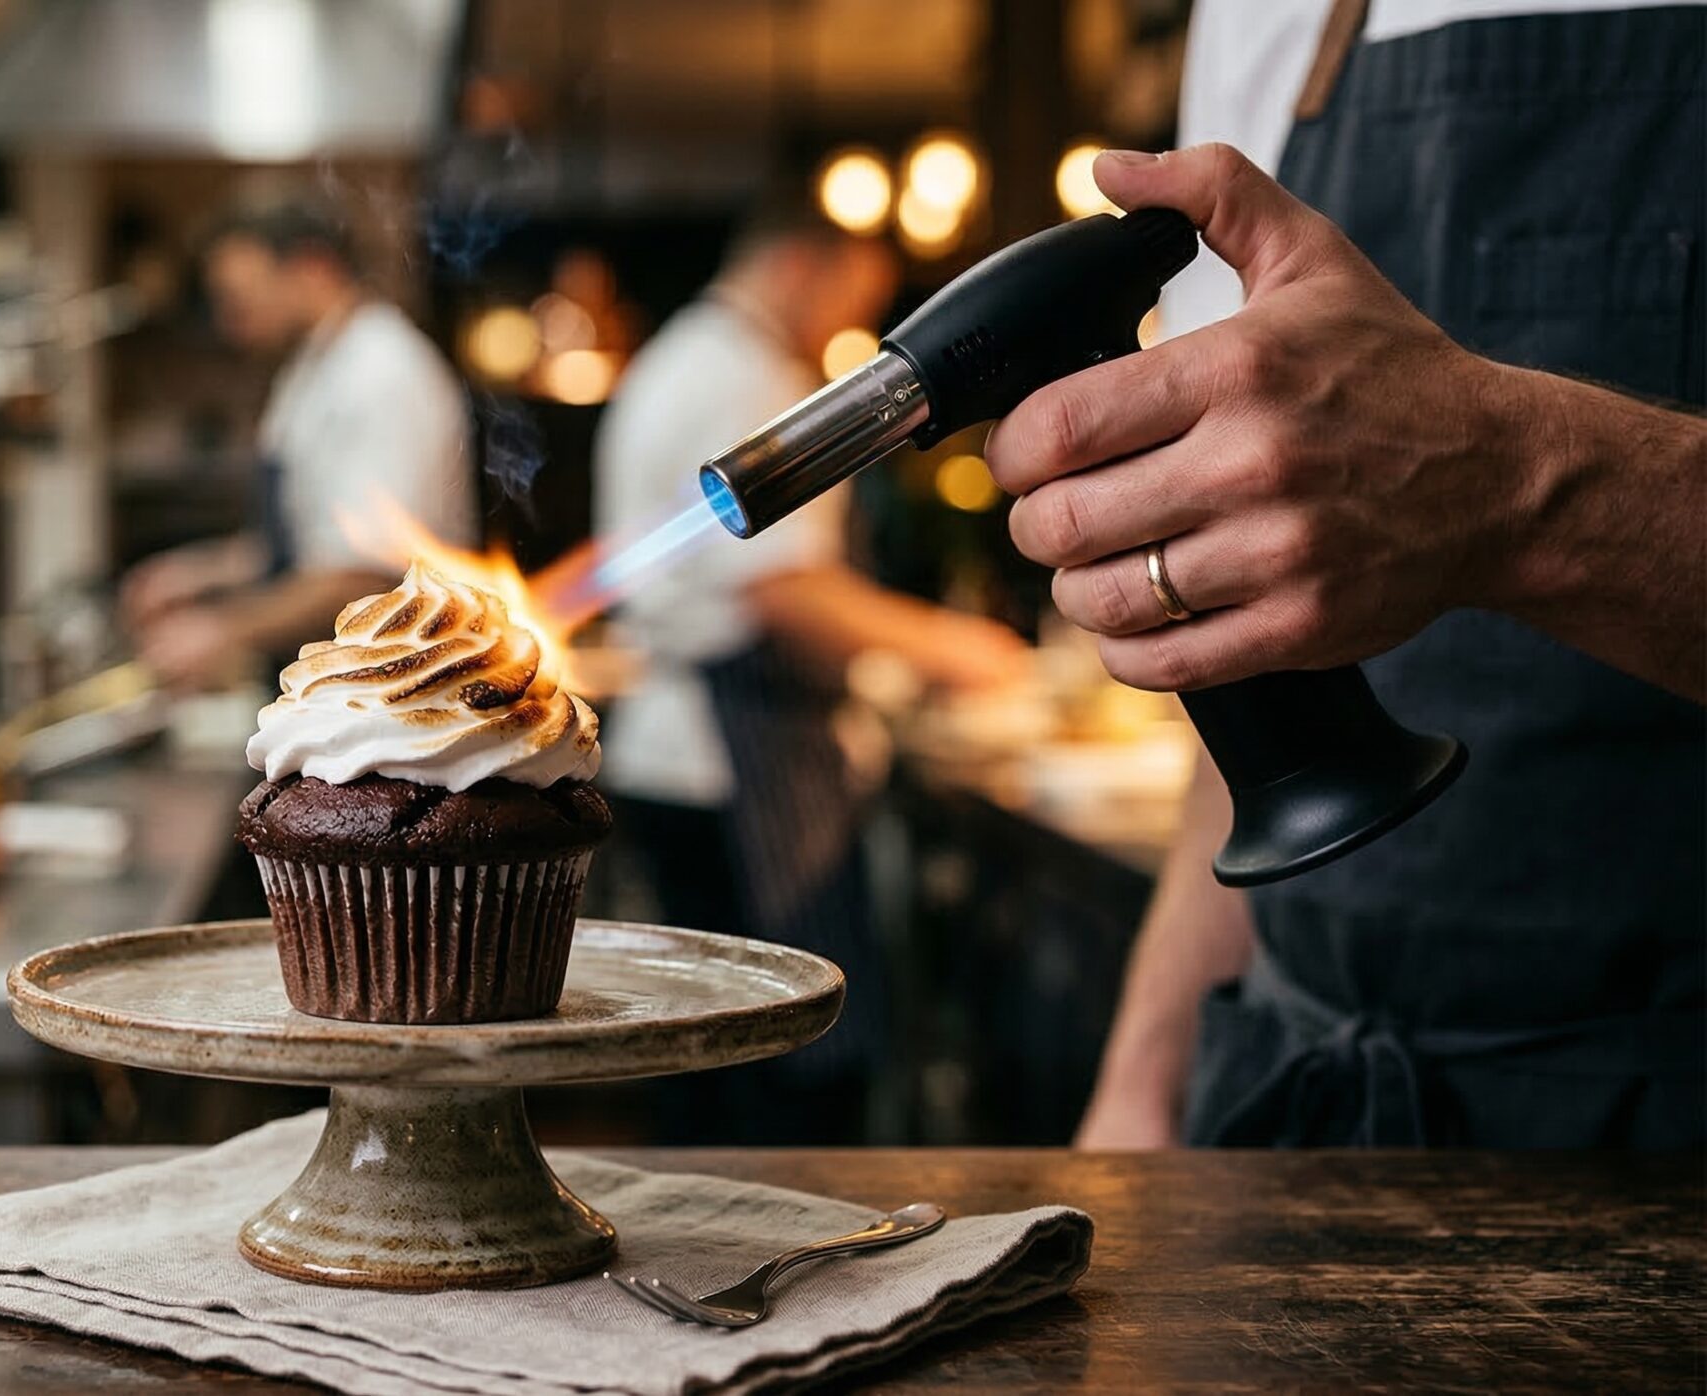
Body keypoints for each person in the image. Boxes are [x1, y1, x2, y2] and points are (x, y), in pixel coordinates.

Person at [982, 0, 1705, 1148]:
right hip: (1296, 1095)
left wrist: (1516, 479)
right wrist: (1143, 1084)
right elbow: (1250, 618)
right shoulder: (1266, 16)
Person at [593, 193, 1032, 1143]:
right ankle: (773, 1262)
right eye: (853, 299)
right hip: (736, 763)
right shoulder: (746, 377)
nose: (852, 332)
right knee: (774, 1065)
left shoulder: (683, 356)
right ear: (800, 265)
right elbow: (780, 592)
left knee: (701, 1062)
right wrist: (951, 648)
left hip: (687, 755)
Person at [124, 200, 471, 688]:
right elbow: (305, 542)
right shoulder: (312, 367)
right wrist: (199, 573)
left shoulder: (381, 372)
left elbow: (365, 576)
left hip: (391, 697)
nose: (229, 323)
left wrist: (223, 628)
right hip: (334, 691)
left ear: (311, 268)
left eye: (239, 299)